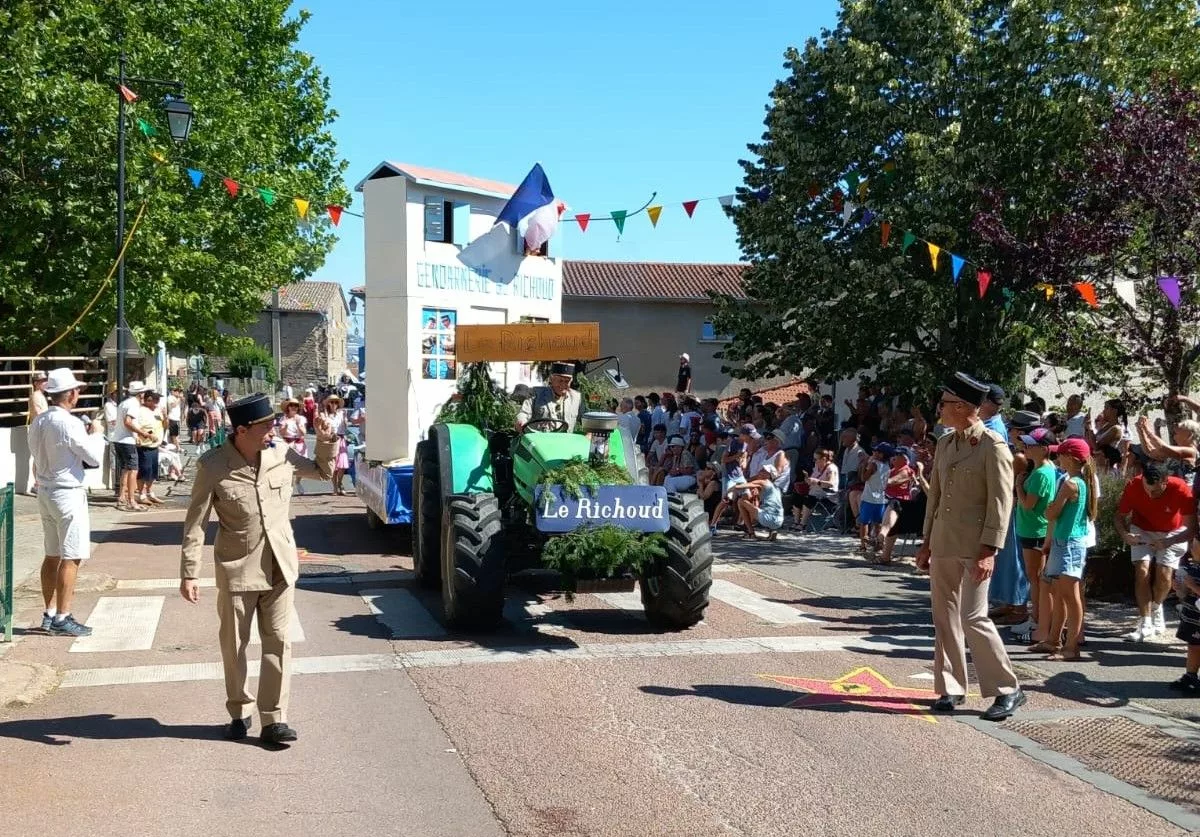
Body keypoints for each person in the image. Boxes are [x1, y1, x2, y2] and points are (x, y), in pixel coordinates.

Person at [180, 393, 336, 745]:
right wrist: (190, 572)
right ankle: (238, 711)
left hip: (280, 564)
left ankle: (274, 719)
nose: (272, 429)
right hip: (238, 568)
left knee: (279, 641)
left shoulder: (281, 454)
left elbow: (323, 472)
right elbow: (195, 524)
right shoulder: (213, 466)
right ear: (241, 430)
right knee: (234, 645)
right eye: (265, 425)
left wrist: (326, 441)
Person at [915, 372, 1025, 722]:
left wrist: (990, 549)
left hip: (976, 546)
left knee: (973, 616)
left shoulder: (993, 446)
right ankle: (951, 686)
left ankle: (1008, 688)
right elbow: (936, 497)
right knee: (944, 617)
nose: (940, 409)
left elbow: (1000, 502)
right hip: (944, 541)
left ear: (963, 406)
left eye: (945, 403)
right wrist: (926, 542)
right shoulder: (947, 444)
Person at [30, 368, 106, 637]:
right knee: (71, 556)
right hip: (67, 491)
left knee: (52, 554)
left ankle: (50, 612)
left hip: (46, 490)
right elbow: (93, 457)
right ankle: (63, 615)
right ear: (71, 394)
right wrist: (96, 434)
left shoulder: (38, 421)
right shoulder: (69, 422)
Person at [1112, 461, 1195, 641]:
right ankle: (1145, 622)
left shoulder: (1180, 488)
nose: (1150, 495)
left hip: (1174, 532)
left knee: (1164, 574)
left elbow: (1191, 529)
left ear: (1165, 481)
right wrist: (1126, 535)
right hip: (1142, 529)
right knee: (1142, 571)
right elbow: (1119, 518)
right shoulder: (1134, 485)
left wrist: (1169, 541)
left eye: (1156, 491)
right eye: (1147, 489)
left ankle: (1157, 608)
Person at [1029, 437, 1095, 661]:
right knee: (1058, 594)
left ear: (1070, 458)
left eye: (1061, 455)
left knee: (1069, 595)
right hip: (1062, 541)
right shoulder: (1076, 481)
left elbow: (1051, 513)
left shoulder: (1070, 484)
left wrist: (1050, 509)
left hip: (1069, 543)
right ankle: (1053, 640)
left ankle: (1071, 646)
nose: (1058, 459)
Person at [1014, 428, 1058, 646]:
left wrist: (1018, 486)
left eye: (1032, 445)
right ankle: (1037, 618)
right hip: (1033, 529)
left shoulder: (1041, 473)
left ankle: (1038, 619)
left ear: (1044, 449)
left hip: (1035, 530)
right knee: (1037, 578)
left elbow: (1029, 505)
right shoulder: (1043, 469)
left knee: (1036, 578)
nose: (1027, 448)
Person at [114, 381, 151, 511]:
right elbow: (128, 422)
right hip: (126, 440)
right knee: (133, 470)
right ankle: (131, 501)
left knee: (125, 469)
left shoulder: (124, 403)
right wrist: (142, 433)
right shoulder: (133, 404)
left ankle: (121, 497)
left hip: (118, 439)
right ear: (141, 393)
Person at [516, 362, 582, 433]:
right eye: (560, 381)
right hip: (540, 440)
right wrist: (521, 422)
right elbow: (524, 413)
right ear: (551, 379)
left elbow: (586, 417)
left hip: (565, 441)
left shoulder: (576, 398)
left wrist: (589, 433)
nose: (563, 384)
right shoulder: (536, 393)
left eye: (567, 381)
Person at [737, 464, 784, 540]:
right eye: (761, 470)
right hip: (779, 520)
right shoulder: (776, 488)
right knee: (764, 506)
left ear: (769, 476)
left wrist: (733, 487)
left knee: (741, 501)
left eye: (763, 471)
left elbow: (743, 485)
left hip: (767, 518)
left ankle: (751, 533)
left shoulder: (763, 481)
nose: (760, 472)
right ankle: (772, 530)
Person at [136, 391, 166, 506]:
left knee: (153, 471)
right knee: (144, 470)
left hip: (155, 445)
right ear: (148, 399)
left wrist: (165, 416)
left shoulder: (157, 410)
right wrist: (145, 435)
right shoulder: (140, 411)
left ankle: (150, 492)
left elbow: (164, 425)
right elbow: (137, 427)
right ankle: (141, 494)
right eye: (155, 400)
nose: (157, 402)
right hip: (145, 445)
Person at [322, 394, 351, 495]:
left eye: (336, 402)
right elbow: (324, 428)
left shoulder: (342, 413)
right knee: (333, 465)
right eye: (332, 402)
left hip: (341, 438)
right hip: (332, 440)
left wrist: (346, 420)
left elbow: (346, 426)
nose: (334, 404)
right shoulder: (326, 415)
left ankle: (340, 483)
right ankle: (334, 486)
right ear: (329, 404)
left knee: (342, 465)